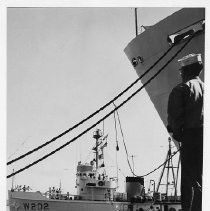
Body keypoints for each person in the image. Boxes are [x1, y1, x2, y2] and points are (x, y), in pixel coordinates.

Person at [167, 53, 204, 211]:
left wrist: (178, 134)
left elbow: (175, 119)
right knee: (203, 178)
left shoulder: (182, 89)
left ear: (185, 71)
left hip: (191, 138)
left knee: (189, 182)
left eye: (181, 71)